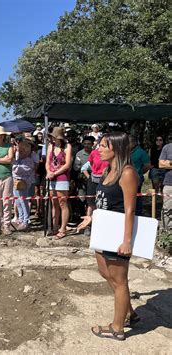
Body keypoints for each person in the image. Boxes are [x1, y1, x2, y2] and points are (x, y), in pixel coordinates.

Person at [77, 132, 139, 341]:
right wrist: (91, 218)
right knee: (106, 274)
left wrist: (127, 241)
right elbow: (104, 202)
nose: (98, 149)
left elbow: (129, 210)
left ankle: (117, 327)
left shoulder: (127, 173)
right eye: (99, 145)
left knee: (119, 280)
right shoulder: (107, 170)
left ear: (117, 149)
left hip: (118, 234)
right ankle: (129, 312)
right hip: (103, 230)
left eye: (104, 145)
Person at [45, 127, 72, 239]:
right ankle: (54, 226)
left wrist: (54, 173)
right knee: (54, 202)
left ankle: (63, 228)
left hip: (62, 177)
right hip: (51, 177)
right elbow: (47, 162)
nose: (52, 139)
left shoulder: (67, 147)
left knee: (62, 203)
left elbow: (67, 164)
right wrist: (48, 171)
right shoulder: (50, 147)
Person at [12, 141, 37, 230]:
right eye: (20, 149)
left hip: (24, 183)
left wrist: (13, 162)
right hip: (16, 182)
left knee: (23, 201)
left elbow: (17, 170)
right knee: (18, 201)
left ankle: (26, 221)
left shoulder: (29, 160)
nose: (20, 151)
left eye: (22, 150)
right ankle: (21, 218)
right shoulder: (19, 158)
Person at [129, 136, 152, 216]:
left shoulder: (141, 152)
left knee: (136, 196)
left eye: (129, 143)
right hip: (125, 178)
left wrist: (140, 172)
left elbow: (147, 165)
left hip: (137, 178)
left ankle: (137, 213)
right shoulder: (125, 151)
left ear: (134, 143)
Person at [159, 140, 172, 230]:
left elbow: (165, 163)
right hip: (169, 184)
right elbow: (160, 164)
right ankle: (167, 232)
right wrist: (165, 163)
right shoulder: (167, 147)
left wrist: (169, 162)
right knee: (167, 209)